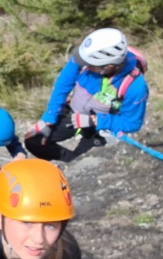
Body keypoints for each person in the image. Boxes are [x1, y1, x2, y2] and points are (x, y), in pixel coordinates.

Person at [24, 28, 149, 162]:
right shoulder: (86, 56)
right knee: (33, 140)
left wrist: (95, 121)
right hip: (74, 112)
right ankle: (69, 161)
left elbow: (132, 123)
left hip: (100, 126)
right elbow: (64, 83)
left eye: (90, 65)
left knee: (86, 160)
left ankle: (75, 163)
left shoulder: (136, 87)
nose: (85, 66)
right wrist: (49, 117)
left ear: (109, 67)